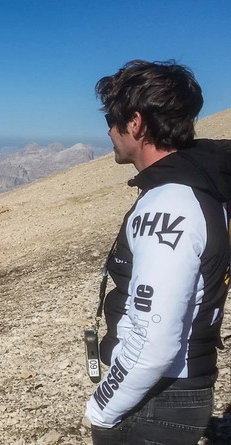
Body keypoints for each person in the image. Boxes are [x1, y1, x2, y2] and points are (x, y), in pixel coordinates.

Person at [85, 59, 231, 444]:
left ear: (134, 123)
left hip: (158, 400)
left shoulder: (168, 204)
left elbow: (155, 338)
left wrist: (102, 406)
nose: (108, 132)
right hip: (177, 392)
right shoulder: (199, 189)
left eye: (111, 121)